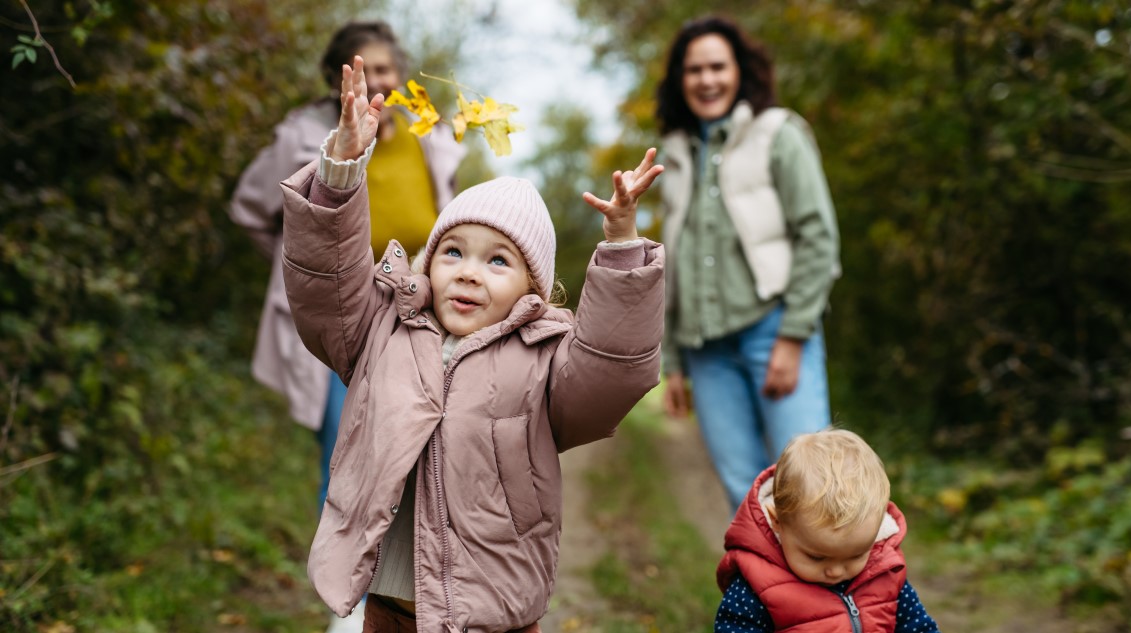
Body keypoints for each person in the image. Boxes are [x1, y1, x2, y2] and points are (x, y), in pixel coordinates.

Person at [278, 56, 666, 632]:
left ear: (532, 288)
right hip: (391, 605)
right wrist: (339, 171)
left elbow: (613, 372)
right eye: (453, 251)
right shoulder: (381, 328)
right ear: (429, 262)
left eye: (498, 260)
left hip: (491, 611)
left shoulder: (544, 360)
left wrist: (621, 251)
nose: (468, 272)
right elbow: (325, 283)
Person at [229, 21, 465, 519]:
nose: (377, 79)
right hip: (344, 309)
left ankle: (396, 583)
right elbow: (250, 209)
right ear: (338, 79)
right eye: (363, 70)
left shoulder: (430, 137)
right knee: (344, 450)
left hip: (420, 313)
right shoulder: (305, 135)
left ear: (400, 73)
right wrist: (300, 261)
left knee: (419, 445)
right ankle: (342, 592)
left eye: (385, 68)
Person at [655, 16, 841, 511]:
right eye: (694, 70)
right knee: (747, 499)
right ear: (680, 79)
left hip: (774, 331)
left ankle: (840, 591)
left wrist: (793, 336)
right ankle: (767, 593)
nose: (706, 79)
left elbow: (818, 237)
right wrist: (672, 361)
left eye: (718, 66)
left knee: (811, 491)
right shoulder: (674, 155)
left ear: (741, 71)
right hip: (705, 353)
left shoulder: (779, 133)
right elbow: (673, 262)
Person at [715, 429, 941, 632]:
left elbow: (917, 626)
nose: (835, 571)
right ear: (778, 522)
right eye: (816, 556)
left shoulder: (885, 572)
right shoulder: (756, 585)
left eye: (856, 555)